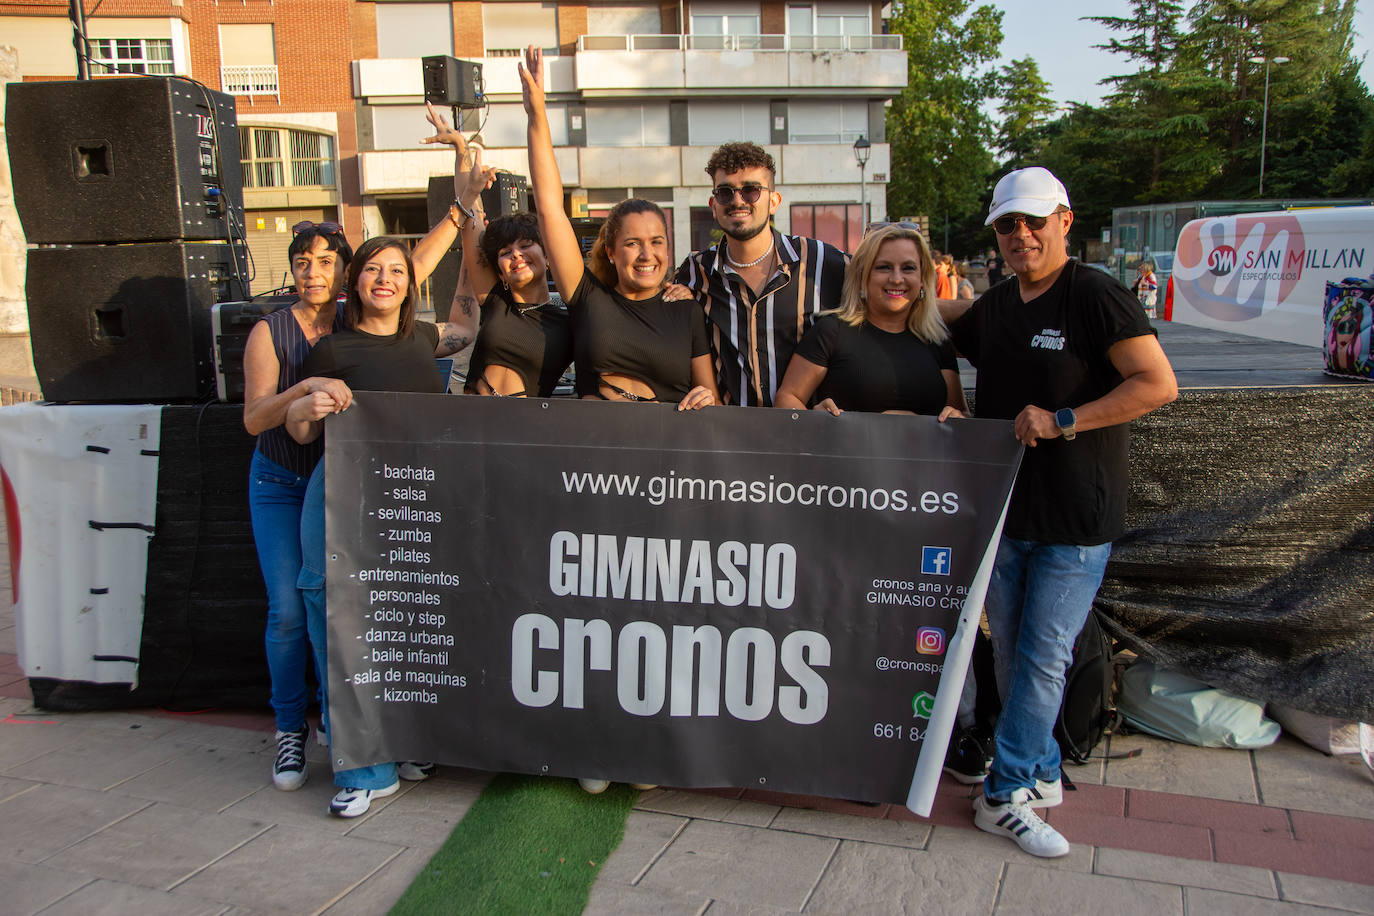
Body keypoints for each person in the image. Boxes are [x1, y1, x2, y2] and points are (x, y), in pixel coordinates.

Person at [941, 167, 1177, 858]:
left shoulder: (1096, 294)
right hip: (1009, 514)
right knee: (1015, 656)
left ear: (1064, 222)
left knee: (1044, 659)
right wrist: (879, 299)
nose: (1021, 235)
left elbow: (1158, 383)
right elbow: (935, 320)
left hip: (1076, 521)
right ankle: (1039, 771)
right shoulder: (998, 304)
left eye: (1033, 221)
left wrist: (1066, 419)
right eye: (1007, 225)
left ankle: (1004, 791)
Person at [241, 108, 476, 792]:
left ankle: (366, 728)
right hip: (288, 478)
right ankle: (293, 729)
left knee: (378, 612)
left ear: (346, 274)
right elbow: (261, 421)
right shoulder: (279, 333)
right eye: (301, 262)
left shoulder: (367, 319)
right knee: (293, 608)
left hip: (355, 483)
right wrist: (309, 391)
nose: (312, 272)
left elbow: (426, 262)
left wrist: (464, 172)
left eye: (325, 262)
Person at [285, 236, 467, 817]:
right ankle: (363, 768)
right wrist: (308, 405)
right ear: (355, 281)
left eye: (397, 270)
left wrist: (468, 206)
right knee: (336, 619)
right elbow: (297, 431)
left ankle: (406, 743)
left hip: (413, 498)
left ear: (410, 284)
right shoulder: (329, 349)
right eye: (372, 269)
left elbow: (473, 314)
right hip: (341, 495)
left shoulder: (426, 340)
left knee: (407, 623)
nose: (385, 278)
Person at [520, 45, 717, 410]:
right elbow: (549, 209)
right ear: (610, 251)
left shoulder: (686, 311)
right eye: (633, 243)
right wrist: (537, 116)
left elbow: (713, 401)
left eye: (657, 241)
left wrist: (707, 400)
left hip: (668, 460)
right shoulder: (588, 298)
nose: (647, 255)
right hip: (601, 461)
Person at [675, 142, 848, 407]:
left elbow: (891, 292)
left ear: (774, 201)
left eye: (751, 190)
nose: (737, 200)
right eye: (725, 192)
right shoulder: (694, 271)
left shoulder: (823, 261)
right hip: (732, 438)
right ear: (713, 204)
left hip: (807, 433)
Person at [774, 223, 966, 420]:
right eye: (884, 267)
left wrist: (958, 417)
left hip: (926, 451)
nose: (897, 279)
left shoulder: (937, 339)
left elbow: (962, 415)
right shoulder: (832, 332)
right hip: (847, 450)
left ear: (923, 279)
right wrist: (815, 421)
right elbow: (787, 398)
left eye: (908, 268)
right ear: (862, 277)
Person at [437, 125, 574, 397]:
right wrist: (461, 148)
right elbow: (470, 216)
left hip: (526, 432)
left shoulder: (570, 318)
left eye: (525, 246)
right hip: (472, 426)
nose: (516, 256)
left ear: (547, 256)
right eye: (505, 253)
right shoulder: (495, 299)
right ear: (498, 271)